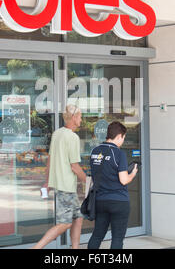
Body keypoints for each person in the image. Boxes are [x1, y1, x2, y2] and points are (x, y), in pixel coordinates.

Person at [32, 104, 87, 249]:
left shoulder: (57, 133)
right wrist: (88, 181)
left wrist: (47, 182)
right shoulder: (73, 137)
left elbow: (50, 160)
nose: (81, 120)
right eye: (80, 116)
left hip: (61, 185)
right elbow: (74, 166)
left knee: (78, 218)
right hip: (66, 186)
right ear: (74, 118)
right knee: (65, 223)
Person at [87, 121, 138, 249]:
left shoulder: (95, 151)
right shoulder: (119, 153)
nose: (123, 141)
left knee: (97, 235)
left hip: (100, 200)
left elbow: (94, 176)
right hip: (118, 201)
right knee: (117, 239)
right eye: (123, 138)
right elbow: (124, 180)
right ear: (119, 136)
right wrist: (133, 173)